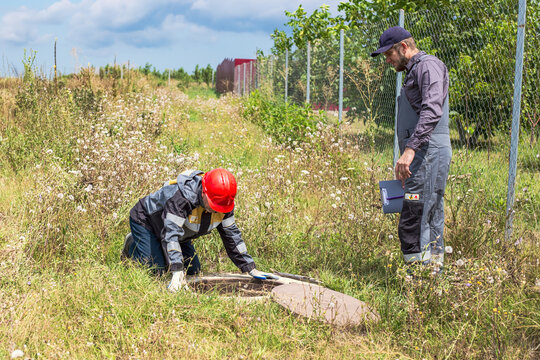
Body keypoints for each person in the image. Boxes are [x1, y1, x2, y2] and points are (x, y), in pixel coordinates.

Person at [371, 27, 452, 268]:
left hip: (428, 151)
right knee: (425, 209)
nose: (387, 60)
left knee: (416, 211)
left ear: (403, 47)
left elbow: (432, 110)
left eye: (388, 54)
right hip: (421, 153)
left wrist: (410, 150)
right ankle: (430, 272)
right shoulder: (414, 70)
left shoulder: (429, 66)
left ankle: (420, 274)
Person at [123, 168, 277, 292]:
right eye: (213, 205)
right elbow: (170, 234)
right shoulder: (181, 198)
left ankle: (154, 251)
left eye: (220, 207)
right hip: (147, 222)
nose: (216, 211)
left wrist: (250, 268)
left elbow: (232, 236)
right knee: (156, 271)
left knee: (193, 271)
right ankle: (132, 245)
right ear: (204, 192)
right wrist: (176, 270)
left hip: (180, 233)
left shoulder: (224, 203)